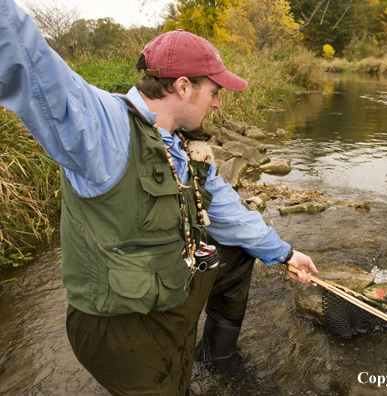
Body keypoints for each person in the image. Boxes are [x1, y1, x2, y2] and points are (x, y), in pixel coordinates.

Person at [0, 0, 318, 394]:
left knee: (236, 257)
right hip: (122, 323)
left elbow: (224, 208)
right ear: (183, 86)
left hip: (173, 284)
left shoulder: (186, 143)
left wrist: (284, 253)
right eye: (214, 91)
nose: (219, 103)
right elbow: (24, 57)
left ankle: (217, 358)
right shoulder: (102, 128)